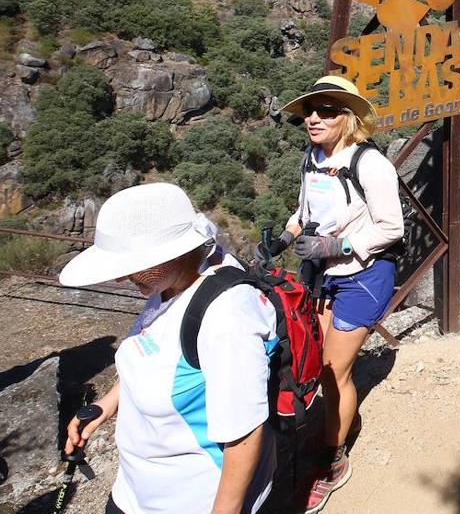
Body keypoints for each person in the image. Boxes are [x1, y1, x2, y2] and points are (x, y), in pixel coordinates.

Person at [59, 183, 277, 514]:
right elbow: (156, 353)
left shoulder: (227, 317)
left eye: (132, 265)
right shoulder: (170, 282)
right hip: (136, 491)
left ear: (176, 251)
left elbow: (244, 436)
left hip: (193, 499)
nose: (120, 279)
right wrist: (106, 404)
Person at [278, 75, 407, 514]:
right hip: (323, 273)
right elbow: (304, 211)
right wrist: (282, 238)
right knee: (315, 359)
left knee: (333, 370)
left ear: (347, 117)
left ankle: (334, 462)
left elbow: (392, 226)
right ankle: (333, 429)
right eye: (310, 111)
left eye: (327, 110)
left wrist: (341, 246)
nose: (313, 118)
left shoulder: (370, 164)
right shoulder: (313, 157)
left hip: (363, 275)